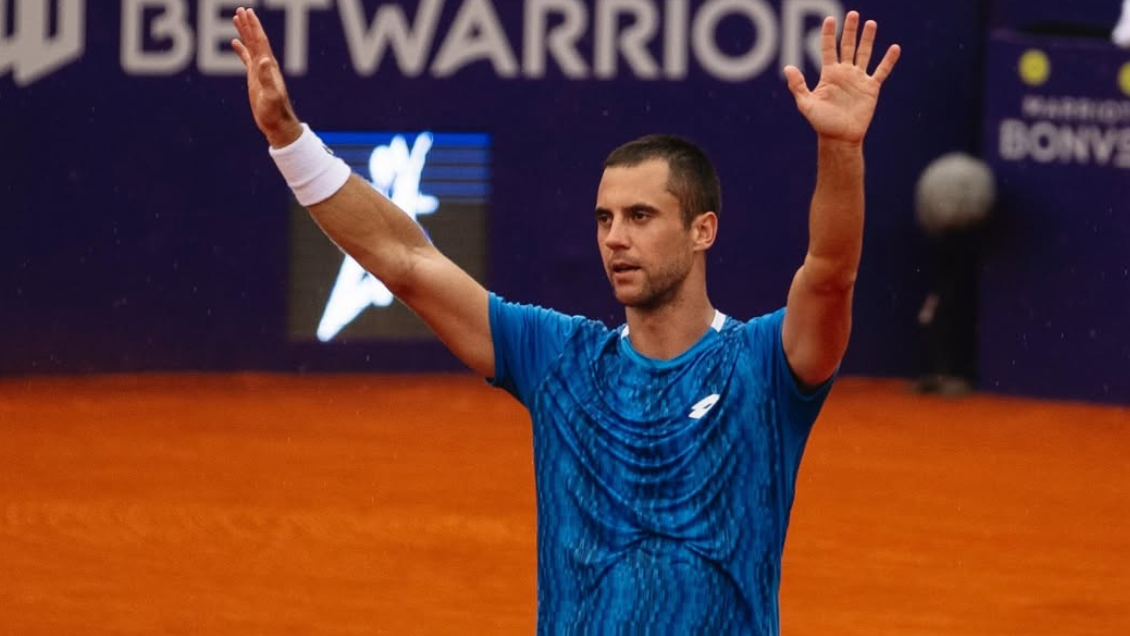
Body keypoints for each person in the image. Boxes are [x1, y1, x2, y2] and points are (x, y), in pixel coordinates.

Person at [231, 7, 899, 634]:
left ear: (703, 230)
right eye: (605, 219)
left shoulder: (764, 365)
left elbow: (829, 273)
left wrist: (840, 148)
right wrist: (289, 139)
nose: (615, 238)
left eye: (640, 216)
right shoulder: (559, 359)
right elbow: (405, 260)